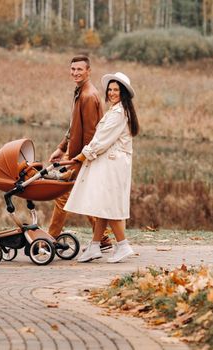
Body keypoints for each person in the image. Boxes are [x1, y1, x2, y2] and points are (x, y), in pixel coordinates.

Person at [64, 72, 139, 263]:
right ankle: (95, 245)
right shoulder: (117, 111)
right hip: (110, 163)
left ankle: (122, 245)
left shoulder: (118, 113)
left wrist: (82, 155)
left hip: (112, 164)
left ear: (123, 93)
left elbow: (101, 140)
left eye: (117, 90)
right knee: (102, 205)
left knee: (108, 205)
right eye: (111, 89)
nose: (112, 93)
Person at [47, 55, 112, 250]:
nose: (75, 72)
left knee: (63, 196)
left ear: (88, 71)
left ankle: (50, 240)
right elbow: (74, 127)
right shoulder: (80, 92)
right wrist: (61, 148)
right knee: (80, 196)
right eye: (73, 69)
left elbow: (92, 134)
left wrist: (79, 160)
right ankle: (104, 239)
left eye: (79, 69)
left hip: (81, 157)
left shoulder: (88, 96)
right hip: (75, 154)